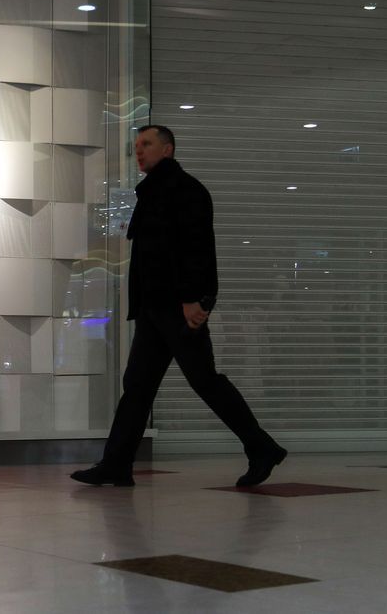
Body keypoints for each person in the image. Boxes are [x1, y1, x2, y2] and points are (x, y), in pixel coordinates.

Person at [71, 125, 287, 488]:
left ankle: (261, 446)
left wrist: (196, 299)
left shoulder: (185, 191)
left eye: (147, 144)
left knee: (205, 381)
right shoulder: (153, 191)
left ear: (167, 149)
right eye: (136, 146)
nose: (138, 151)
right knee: (137, 386)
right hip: (155, 310)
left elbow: (197, 249)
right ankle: (116, 464)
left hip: (176, 308)